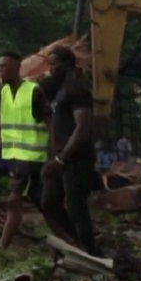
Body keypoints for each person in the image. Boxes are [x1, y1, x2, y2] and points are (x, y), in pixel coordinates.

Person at [40, 46, 99, 256]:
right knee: (48, 203)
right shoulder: (59, 91)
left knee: (76, 209)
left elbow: (82, 129)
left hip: (75, 159)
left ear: (67, 64)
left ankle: (92, 254)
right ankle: (75, 244)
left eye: (55, 64)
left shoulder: (77, 89)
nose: (51, 69)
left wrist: (62, 159)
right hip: (59, 157)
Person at [0, 50, 50, 249]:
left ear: (17, 68)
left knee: (13, 199)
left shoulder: (34, 91)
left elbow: (49, 121)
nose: (0, 71)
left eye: (4, 67)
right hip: (15, 155)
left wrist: (55, 154)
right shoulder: (3, 92)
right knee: (40, 201)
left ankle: (2, 247)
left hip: (32, 156)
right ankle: (69, 236)